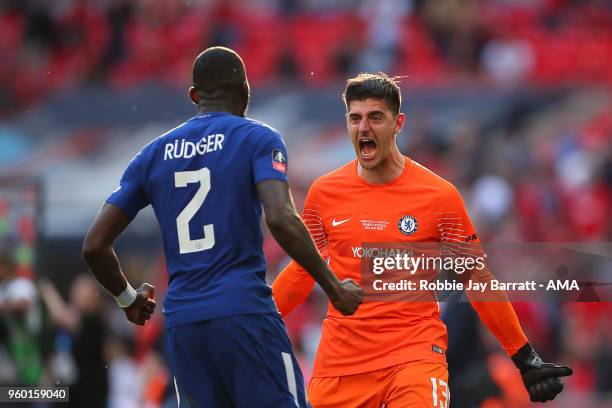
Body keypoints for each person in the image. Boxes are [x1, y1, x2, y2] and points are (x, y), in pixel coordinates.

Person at [82, 46, 363, 408]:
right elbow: (280, 217)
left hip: (183, 326)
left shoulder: (151, 155)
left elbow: (94, 245)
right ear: (246, 90)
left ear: (194, 96)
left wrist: (127, 298)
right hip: (243, 313)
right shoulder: (257, 139)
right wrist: (334, 287)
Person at [272, 72, 573, 407]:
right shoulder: (324, 193)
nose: (364, 128)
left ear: (398, 123)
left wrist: (524, 356)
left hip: (413, 358)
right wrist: (253, 320)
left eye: (376, 118)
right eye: (355, 118)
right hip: (341, 364)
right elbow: (303, 271)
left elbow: (476, 278)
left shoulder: (438, 195)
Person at [39, 274, 108, 408]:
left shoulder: (94, 321)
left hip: (90, 395)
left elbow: (61, 316)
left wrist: (45, 288)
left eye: (82, 292)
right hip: (66, 393)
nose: (77, 295)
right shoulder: (63, 327)